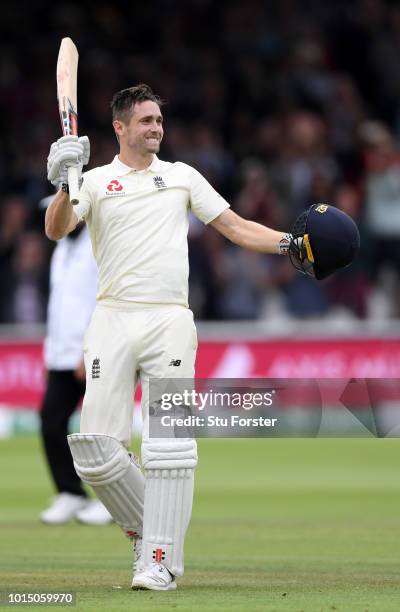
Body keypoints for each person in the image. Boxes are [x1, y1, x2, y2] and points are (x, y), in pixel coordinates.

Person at [43, 84, 312, 591]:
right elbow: (56, 231)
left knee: (169, 445)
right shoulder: (95, 181)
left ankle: (159, 560)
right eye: (145, 121)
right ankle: (154, 536)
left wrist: (290, 245)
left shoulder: (181, 176)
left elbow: (233, 227)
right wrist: (62, 183)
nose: (156, 129)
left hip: (169, 319)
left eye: (159, 121)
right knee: (95, 451)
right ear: (120, 128)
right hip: (112, 319)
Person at [39, 201, 112, 526]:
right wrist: (51, 351)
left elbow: (105, 299)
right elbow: (60, 304)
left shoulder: (99, 244)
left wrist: (92, 347)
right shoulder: (61, 248)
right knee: (51, 421)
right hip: (61, 352)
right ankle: (70, 493)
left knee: (102, 429)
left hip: (93, 352)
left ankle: (113, 500)